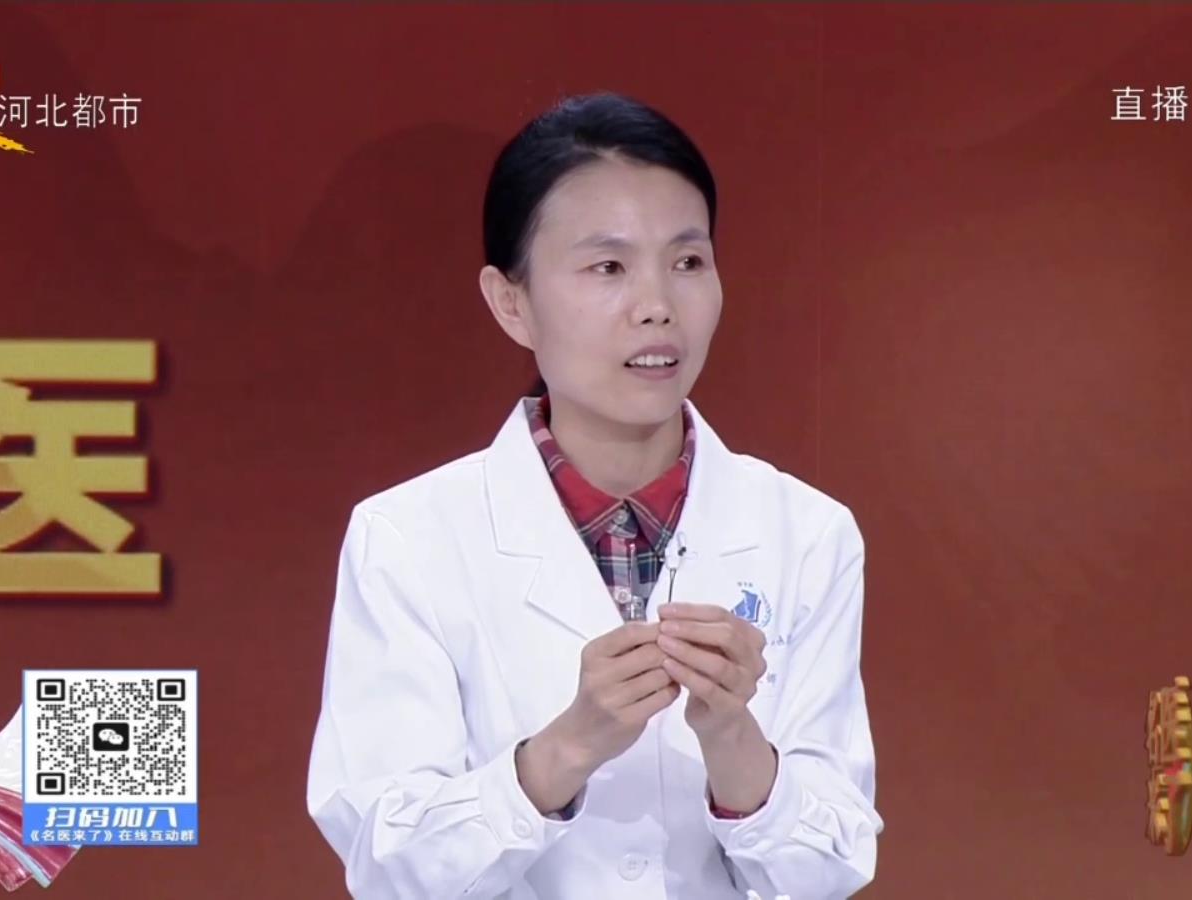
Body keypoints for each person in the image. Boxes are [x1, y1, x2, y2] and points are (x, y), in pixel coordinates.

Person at [305, 91, 882, 899]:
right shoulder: (406, 538)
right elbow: (387, 864)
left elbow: (829, 868)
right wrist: (567, 749)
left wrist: (731, 737)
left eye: (688, 262)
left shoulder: (808, 534)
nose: (657, 307)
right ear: (511, 303)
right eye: (608, 268)